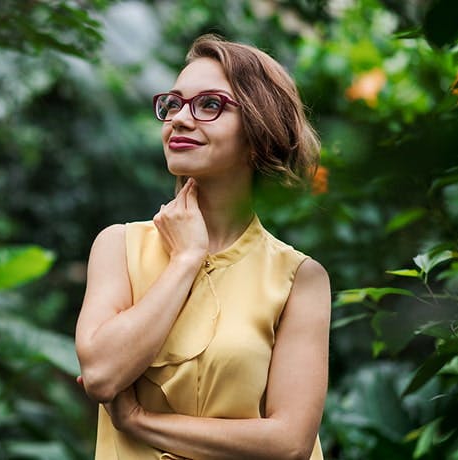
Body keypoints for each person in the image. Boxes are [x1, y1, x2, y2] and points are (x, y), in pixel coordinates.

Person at [74, 34, 331, 460]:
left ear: (257, 132)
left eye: (209, 105)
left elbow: (289, 444)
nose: (179, 119)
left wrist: (140, 421)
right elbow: (101, 374)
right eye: (173, 104)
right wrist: (187, 258)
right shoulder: (118, 246)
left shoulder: (299, 277)